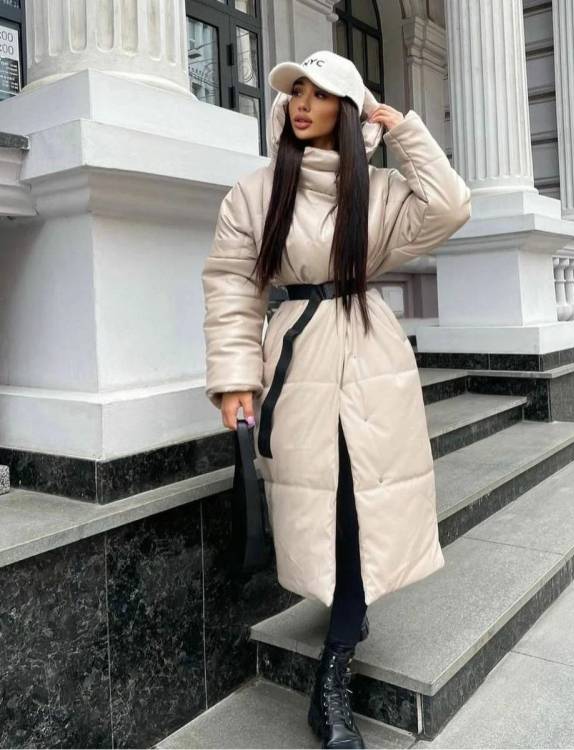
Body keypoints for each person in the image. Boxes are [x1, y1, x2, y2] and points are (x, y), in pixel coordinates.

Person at [201, 50, 471, 749]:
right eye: (296, 90)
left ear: (346, 111)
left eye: (320, 94)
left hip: (371, 353)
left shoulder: (378, 190)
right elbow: (232, 284)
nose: (302, 103)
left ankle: (332, 676)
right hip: (298, 359)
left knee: (361, 502)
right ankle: (347, 616)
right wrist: (235, 378)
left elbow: (449, 206)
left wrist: (403, 130)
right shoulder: (256, 192)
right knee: (325, 501)